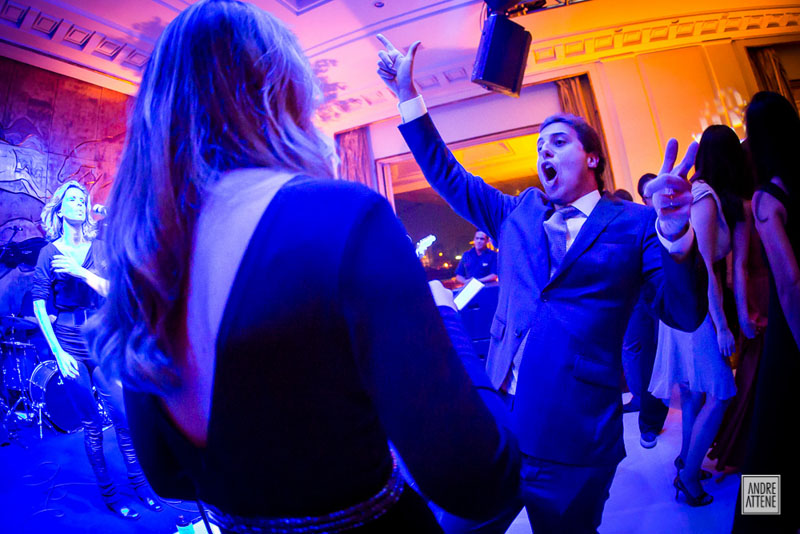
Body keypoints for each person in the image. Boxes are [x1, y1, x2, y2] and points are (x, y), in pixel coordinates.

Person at [85, 2, 520, 533]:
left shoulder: (145, 257)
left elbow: (169, 476)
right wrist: (447, 321)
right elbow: (477, 481)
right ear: (279, 91)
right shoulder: (342, 217)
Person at [377, 34, 707, 534]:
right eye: (538, 147)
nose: (543, 152)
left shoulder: (635, 223)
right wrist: (407, 96)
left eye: (556, 142)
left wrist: (677, 234)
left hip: (576, 438)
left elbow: (683, 313)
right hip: (498, 426)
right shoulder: (517, 212)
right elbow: (449, 175)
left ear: (591, 157)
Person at [31, 180, 161, 520]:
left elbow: (114, 290)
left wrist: (78, 271)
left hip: (100, 341)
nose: (79, 203)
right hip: (68, 342)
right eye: (71, 199)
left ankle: (141, 487)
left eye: (82, 199)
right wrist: (58, 354)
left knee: (123, 418)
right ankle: (110, 495)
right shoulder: (48, 253)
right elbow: (41, 306)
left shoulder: (101, 249)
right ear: (59, 210)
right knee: (91, 424)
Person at [649, 124, 752, 507]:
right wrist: (722, 324)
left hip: (690, 309)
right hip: (697, 312)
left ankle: (685, 461)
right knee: (722, 393)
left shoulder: (714, 196)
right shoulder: (703, 194)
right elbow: (706, 266)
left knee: (695, 395)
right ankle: (689, 477)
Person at [733, 91, 800, 533]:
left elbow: (790, 281)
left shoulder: (764, 198)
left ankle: (761, 527)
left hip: (791, 329)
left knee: (767, 444)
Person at [620, 172, 670, 450]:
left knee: (652, 354)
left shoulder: (667, 216)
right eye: (645, 196)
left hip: (667, 296)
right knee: (644, 354)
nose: (648, 200)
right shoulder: (639, 219)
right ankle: (648, 418)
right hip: (641, 298)